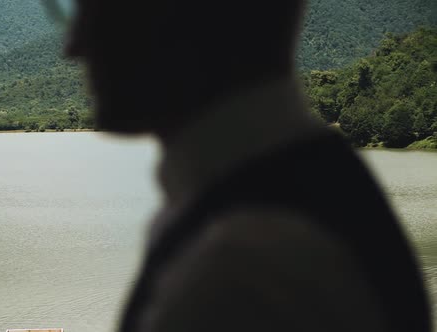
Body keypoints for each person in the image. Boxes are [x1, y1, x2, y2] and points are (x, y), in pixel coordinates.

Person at [56, 0, 432, 331]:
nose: (74, 46)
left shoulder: (240, 264)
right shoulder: (316, 186)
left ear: (182, 15)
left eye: (100, 11)